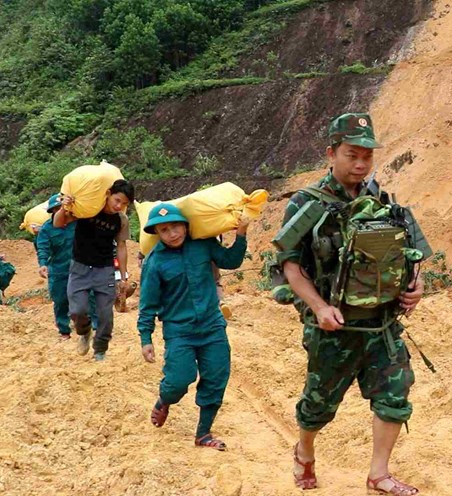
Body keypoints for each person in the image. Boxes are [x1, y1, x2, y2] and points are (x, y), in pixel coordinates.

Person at [277, 113, 431, 494]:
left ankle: (379, 474)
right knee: (318, 405)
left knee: (394, 396)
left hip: (381, 325)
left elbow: (412, 257)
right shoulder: (307, 203)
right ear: (331, 153)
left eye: (367, 156)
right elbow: (289, 267)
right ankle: (304, 453)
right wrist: (318, 307)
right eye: (351, 155)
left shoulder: (381, 200)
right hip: (333, 325)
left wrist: (416, 285)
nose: (360, 164)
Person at [138, 203, 250, 450]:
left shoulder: (203, 245)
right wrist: (146, 338)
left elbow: (231, 261)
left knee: (216, 377)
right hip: (180, 331)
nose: (173, 233)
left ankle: (203, 434)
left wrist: (241, 233)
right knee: (179, 379)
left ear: (186, 225)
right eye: (165, 230)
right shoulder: (155, 262)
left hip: (212, 326)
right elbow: (147, 304)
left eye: (176, 226)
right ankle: (164, 400)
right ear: (158, 233)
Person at [54, 179, 134, 361]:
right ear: (108, 194)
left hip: (104, 269)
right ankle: (84, 331)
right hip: (79, 267)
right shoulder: (88, 209)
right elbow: (58, 223)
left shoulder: (121, 220)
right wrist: (64, 208)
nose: (119, 206)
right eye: (117, 200)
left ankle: (100, 350)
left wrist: (123, 276)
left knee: (105, 314)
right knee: (77, 309)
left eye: (124, 204)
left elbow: (121, 246)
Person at [36, 194, 98, 341]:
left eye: (62, 208)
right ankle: (64, 331)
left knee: (90, 297)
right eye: (56, 209)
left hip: (81, 268)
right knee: (60, 300)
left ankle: (96, 327)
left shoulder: (79, 224)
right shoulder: (47, 229)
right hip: (58, 270)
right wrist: (43, 264)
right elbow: (42, 247)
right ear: (52, 212)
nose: (61, 211)